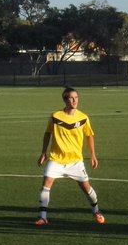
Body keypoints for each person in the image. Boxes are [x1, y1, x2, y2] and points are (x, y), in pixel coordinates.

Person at [35, 87, 104, 226]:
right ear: (65, 100)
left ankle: (96, 211)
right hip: (56, 159)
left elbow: (89, 135)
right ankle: (43, 217)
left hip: (75, 161)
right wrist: (43, 152)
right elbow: (48, 133)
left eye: (76, 98)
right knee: (46, 185)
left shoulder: (83, 118)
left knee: (87, 188)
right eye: (71, 98)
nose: (74, 101)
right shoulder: (55, 116)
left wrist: (93, 155)